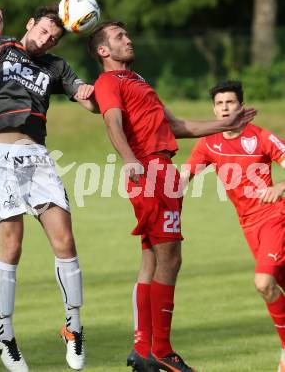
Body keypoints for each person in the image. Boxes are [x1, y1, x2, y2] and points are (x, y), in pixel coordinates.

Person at [87, 22, 256, 372]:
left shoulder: (139, 81)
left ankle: (143, 349)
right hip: (149, 170)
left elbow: (177, 126)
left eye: (126, 34)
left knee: (152, 258)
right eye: (119, 37)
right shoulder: (108, 82)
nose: (128, 39)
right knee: (170, 259)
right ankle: (162, 350)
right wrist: (130, 160)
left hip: (162, 171)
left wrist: (229, 123)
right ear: (104, 51)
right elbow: (112, 124)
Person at [0, 6, 96, 372]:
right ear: (30, 25)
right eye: (43, 31)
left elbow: (89, 103)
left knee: (65, 241)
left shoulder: (56, 66)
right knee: (12, 244)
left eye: (54, 37)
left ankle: (73, 327)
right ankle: (4, 334)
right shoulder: (2, 46)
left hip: (36, 154)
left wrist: (90, 91)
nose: (46, 39)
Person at [184, 80, 285, 372]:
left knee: (263, 283)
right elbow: (184, 176)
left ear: (240, 106)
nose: (225, 108)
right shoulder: (208, 143)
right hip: (248, 226)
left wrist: (280, 185)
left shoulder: (260, 136)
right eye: (219, 103)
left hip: (274, 218)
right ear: (214, 109)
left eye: (230, 102)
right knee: (277, 285)